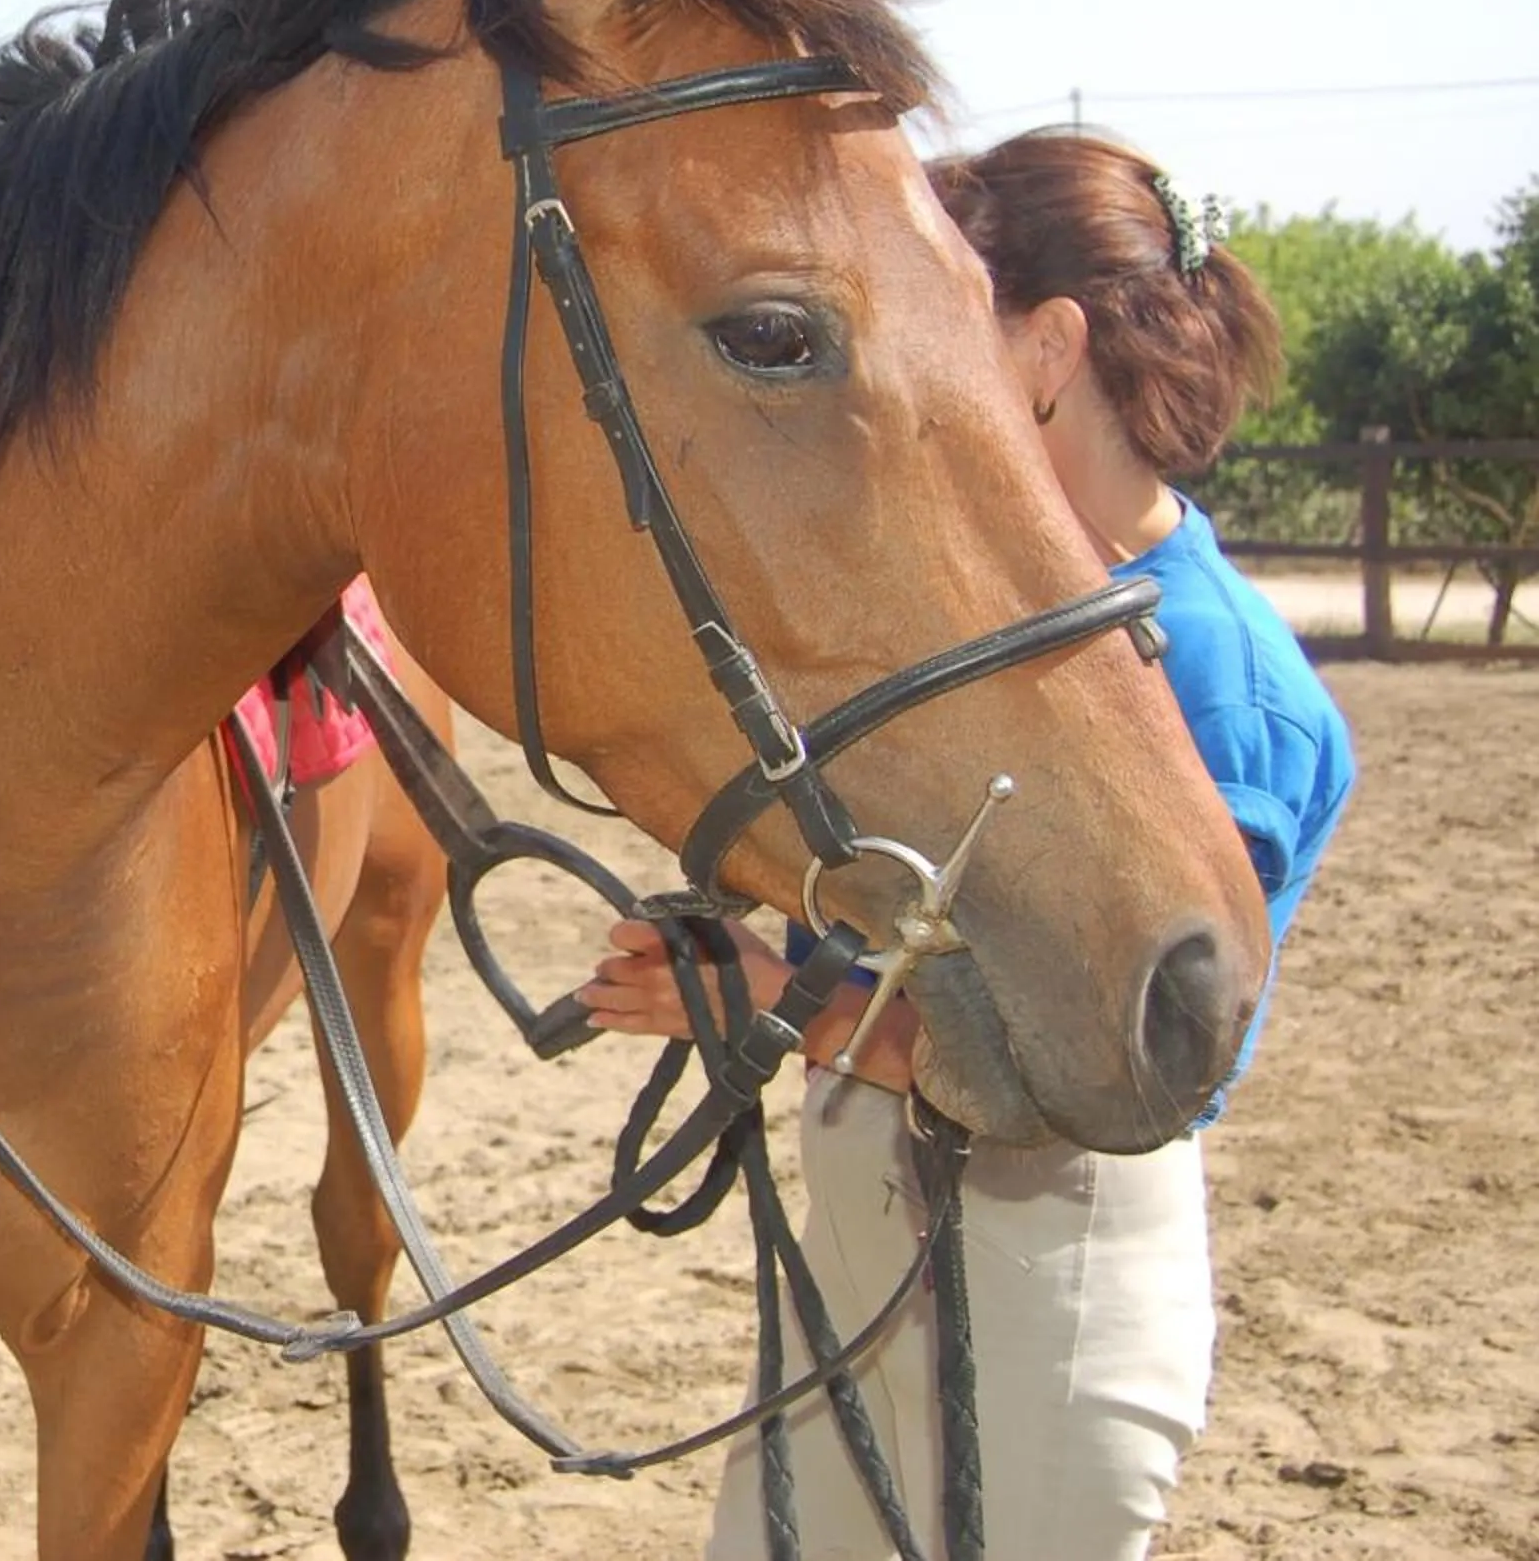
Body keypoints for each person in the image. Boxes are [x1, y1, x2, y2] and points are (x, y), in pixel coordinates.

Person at [575, 129, 1357, 1561]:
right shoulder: (985, 643)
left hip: (1037, 1299)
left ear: (1048, 350)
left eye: (946, 327)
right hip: (871, 1271)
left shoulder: (1215, 678)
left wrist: (771, 998)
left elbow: (1107, 1069)